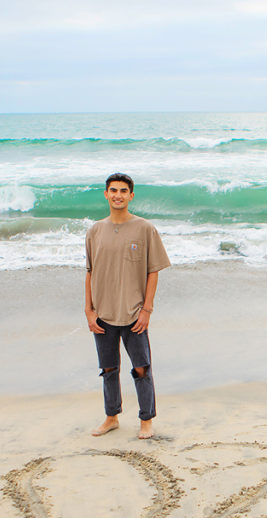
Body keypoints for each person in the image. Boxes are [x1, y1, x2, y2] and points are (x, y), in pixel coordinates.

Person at [85, 173, 171, 439]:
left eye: (123, 191)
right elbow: (90, 271)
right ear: (106, 194)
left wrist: (147, 310)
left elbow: (153, 270)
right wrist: (88, 310)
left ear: (131, 196)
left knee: (142, 368)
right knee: (108, 368)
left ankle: (146, 420)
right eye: (113, 190)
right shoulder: (95, 230)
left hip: (134, 314)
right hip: (103, 314)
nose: (118, 195)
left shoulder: (145, 229)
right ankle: (111, 417)